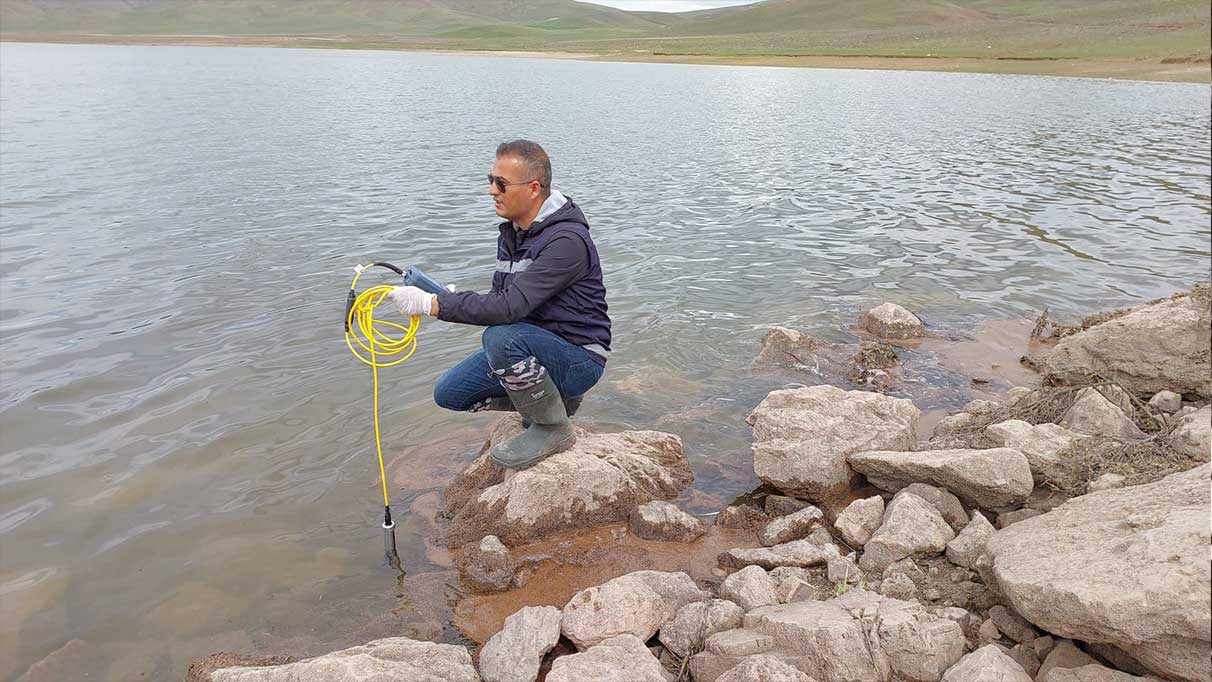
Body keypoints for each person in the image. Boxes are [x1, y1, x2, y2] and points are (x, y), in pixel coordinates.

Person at [389, 140, 611, 470]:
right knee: (450, 393)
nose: (492, 191)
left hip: (579, 357)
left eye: (501, 184)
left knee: (500, 338)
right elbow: (502, 300)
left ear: (534, 188)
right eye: (490, 180)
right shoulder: (514, 233)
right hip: (534, 346)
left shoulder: (567, 241)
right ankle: (551, 402)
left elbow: (508, 309)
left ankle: (553, 427)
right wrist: (446, 296)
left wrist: (433, 305)